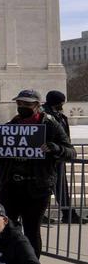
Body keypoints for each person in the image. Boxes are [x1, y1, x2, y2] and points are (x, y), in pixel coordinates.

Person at [0, 89, 75, 256]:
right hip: (10, 186)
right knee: (6, 229)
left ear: (37, 105)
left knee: (32, 231)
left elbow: (70, 151)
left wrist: (55, 148)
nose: (22, 106)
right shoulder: (11, 126)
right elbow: (0, 156)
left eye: (27, 104)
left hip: (37, 188)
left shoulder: (50, 125)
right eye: (19, 103)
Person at [42, 90, 77, 221]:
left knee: (61, 187)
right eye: (61, 102)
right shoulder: (44, 116)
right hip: (48, 157)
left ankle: (69, 214)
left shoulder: (59, 115)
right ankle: (40, 214)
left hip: (58, 155)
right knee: (46, 187)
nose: (62, 105)